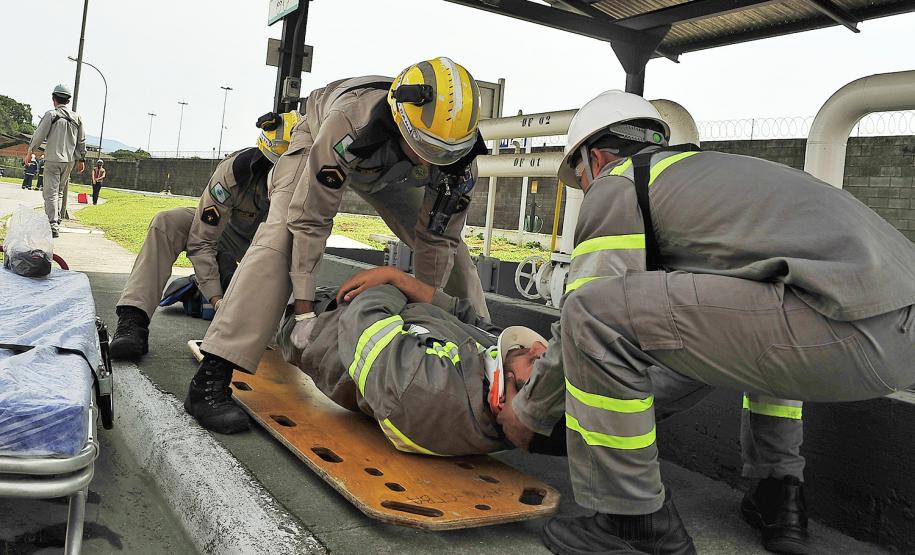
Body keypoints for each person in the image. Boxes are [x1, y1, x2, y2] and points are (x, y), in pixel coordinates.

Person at [495, 90, 915, 555]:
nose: (586, 191)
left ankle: (632, 518)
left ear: (596, 159)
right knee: (767, 302)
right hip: (896, 333)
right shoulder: (720, 177)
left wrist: (530, 411)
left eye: (580, 180)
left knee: (592, 311)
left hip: (843, 327)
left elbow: (590, 310)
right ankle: (778, 495)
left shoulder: (619, 180)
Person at [186, 57, 490, 434]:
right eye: (425, 145)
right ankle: (213, 373)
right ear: (400, 119)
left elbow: (437, 239)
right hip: (320, 137)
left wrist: (427, 306)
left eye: (444, 152)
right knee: (281, 235)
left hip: (395, 168)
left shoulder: (457, 161)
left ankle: (483, 350)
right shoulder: (350, 122)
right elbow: (311, 218)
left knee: (458, 256)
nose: (432, 158)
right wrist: (304, 311)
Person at [273, 266, 566, 455]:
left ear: (506, 401)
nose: (538, 347)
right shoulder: (498, 372)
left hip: (317, 323)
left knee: (268, 278)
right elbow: (469, 319)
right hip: (366, 307)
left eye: (538, 364)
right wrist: (400, 280)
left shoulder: (429, 392)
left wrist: (390, 283)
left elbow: (363, 321)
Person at [108, 113, 297, 360]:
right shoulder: (233, 172)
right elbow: (202, 240)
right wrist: (216, 299)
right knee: (167, 223)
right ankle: (133, 320)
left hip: (271, 245)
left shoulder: (308, 179)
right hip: (225, 233)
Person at [25, 84, 86, 238]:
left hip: (52, 159)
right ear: (68, 100)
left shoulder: (51, 115)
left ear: (54, 99)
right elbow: (82, 141)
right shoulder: (77, 118)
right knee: (58, 191)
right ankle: (56, 219)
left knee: (50, 193)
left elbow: (39, 136)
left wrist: (30, 152)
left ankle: (52, 225)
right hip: (69, 161)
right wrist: (81, 159)